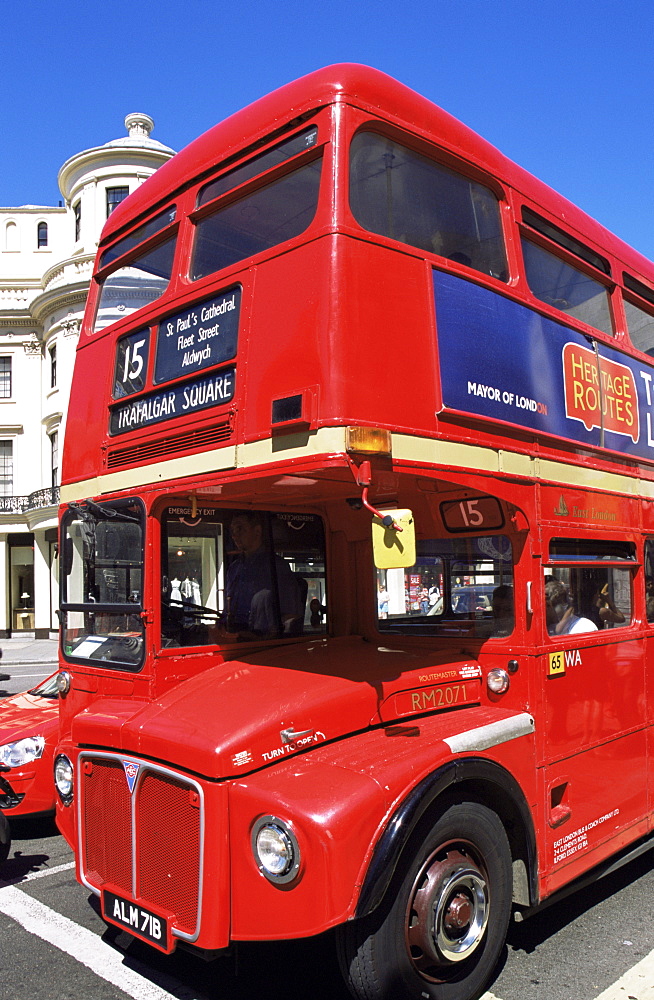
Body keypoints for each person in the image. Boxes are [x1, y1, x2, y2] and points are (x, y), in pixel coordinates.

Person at [224, 512, 303, 636]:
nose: (234, 535)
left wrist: (263, 637)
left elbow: (291, 618)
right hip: (234, 638)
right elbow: (228, 610)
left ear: (257, 531)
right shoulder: (234, 569)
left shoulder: (276, 566)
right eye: (232, 530)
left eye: (240, 528)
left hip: (262, 642)